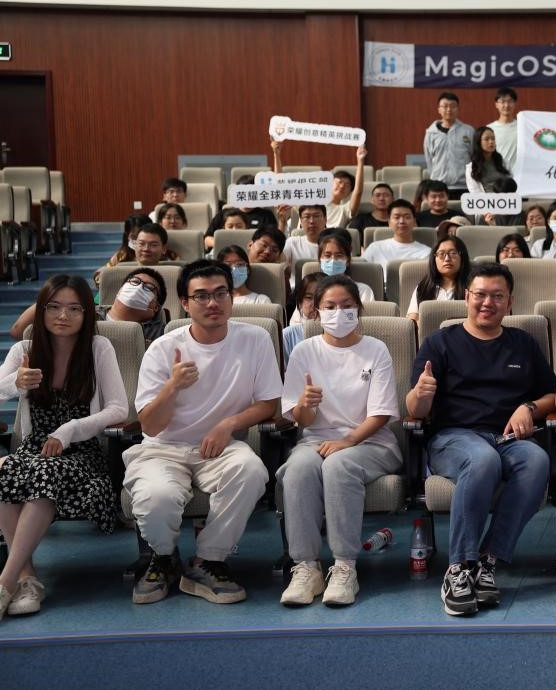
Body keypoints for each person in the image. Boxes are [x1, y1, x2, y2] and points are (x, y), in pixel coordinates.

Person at [125, 260, 282, 605]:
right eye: (201, 296)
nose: (213, 303)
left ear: (231, 297)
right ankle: (164, 558)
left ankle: (208, 561)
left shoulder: (255, 338)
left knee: (251, 470)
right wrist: (173, 387)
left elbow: (269, 403)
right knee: (156, 496)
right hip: (163, 448)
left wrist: (228, 425)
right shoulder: (163, 349)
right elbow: (150, 425)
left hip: (221, 446)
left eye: (220, 293)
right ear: (185, 303)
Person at [407, 262, 556, 616]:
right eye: (480, 295)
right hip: (453, 437)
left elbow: (553, 396)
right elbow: (414, 409)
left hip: (507, 437)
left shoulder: (522, 343)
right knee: (481, 459)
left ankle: (486, 562)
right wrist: (422, 394)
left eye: (497, 296)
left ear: (510, 301)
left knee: (537, 460)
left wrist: (528, 407)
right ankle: (458, 567)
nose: (487, 303)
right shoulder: (440, 342)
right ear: (466, 297)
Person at [0, 276, 128, 619]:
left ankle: (5, 582)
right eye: (54, 307)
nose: (63, 316)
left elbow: (119, 408)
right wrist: (15, 383)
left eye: (74, 309)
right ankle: (26, 579)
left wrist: (70, 429)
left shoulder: (99, 348)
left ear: (87, 314)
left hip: (81, 453)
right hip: (33, 450)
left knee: (43, 473)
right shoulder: (24, 351)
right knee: (6, 470)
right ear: (41, 310)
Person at [277, 275, 402, 608]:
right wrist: (306, 405)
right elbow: (301, 420)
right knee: (299, 468)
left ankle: (345, 566)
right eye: (329, 306)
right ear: (317, 311)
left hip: (371, 442)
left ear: (358, 308)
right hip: (316, 441)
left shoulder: (375, 349)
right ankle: (306, 568)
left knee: (338, 465)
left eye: (346, 306)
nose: (338, 313)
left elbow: (380, 414)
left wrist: (347, 441)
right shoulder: (304, 351)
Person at [270, 139, 365, 230]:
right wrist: (276, 155)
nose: (342, 186)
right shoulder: (309, 200)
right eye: (338, 182)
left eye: (347, 185)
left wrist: (360, 161)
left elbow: (358, 192)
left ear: (349, 193)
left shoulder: (344, 210)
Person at [406, 235, 470, 323]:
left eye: (453, 253)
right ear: (434, 259)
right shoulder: (423, 288)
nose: (447, 259)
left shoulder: (473, 287)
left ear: (462, 257)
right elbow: (412, 321)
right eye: (441, 254)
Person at [362, 200, 433, 279]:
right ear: (389, 222)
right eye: (396, 217)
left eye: (407, 217)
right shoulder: (375, 247)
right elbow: (363, 274)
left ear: (414, 222)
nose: (402, 221)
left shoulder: (426, 252)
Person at [424, 92, 475, 195]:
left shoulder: (468, 131)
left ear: (458, 109)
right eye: (445, 106)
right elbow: (429, 160)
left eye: (453, 106)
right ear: (439, 109)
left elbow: (474, 157)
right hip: (438, 187)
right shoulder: (431, 133)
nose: (449, 109)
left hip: (463, 186)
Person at [315, 230, 376, 303]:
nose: (333, 260)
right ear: (320, 260)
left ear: (348, 261)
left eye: (339, 256)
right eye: (327, 256)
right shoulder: (312, 290)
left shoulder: (362, 291)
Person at [283, 271, 327, 366]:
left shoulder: (343, 334)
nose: (315, 303)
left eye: (321, 297)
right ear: (300, 303)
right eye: (309, 297)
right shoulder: (287, 335)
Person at [282, 205, 327, 288]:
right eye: (307, 217)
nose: (312, 221)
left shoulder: (334, 245)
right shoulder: (292, 243)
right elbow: (279, 263)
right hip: (297, 290)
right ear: (301, 221)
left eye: (316, 216)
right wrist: (282, 223)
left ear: (325, 219)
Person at [465, 125, 514, 196]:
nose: (491, 142)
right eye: (486, 139)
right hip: (484, 201)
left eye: (493, 139)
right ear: (478, 142)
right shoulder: (472, 167)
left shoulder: (503, 163)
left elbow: (510, 184)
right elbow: (474, 191)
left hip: (504, 200)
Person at [490, 87, 519, 173]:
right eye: (502, 102)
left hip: (519, 176)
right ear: (496, 105)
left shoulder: (522, 127)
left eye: (510, 101)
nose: (506, 105)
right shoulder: (489, 129)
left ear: (515, 104)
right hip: (498, 176)